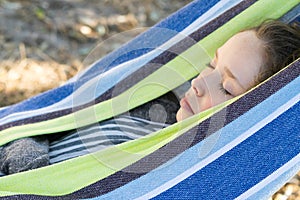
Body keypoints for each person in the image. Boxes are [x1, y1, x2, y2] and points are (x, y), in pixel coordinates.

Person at [0, 20, 299, 175]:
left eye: (227, 87)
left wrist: (22, 160)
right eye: (211, 63)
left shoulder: (173, 178)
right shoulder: (149, 102)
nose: (198, 83)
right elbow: (51, 122)